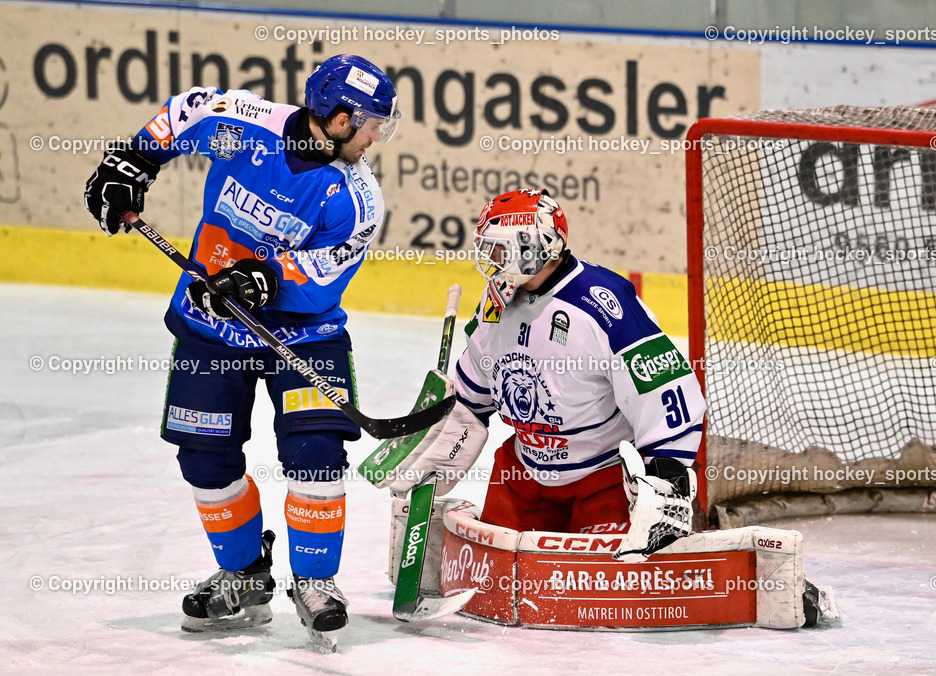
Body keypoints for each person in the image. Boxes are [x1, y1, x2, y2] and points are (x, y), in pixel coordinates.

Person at [83, 55, 401, 642]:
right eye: (371, 122)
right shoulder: (245, 124)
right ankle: (243, 572)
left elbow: (323, 275)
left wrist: (263, 277)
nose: (378, 135)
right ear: (335, 118)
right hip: (212, 326)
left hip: (303, 335)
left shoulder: (357, 197)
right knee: (205, 459)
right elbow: (187, 111)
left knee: (316, 450)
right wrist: (132, 163)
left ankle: (315, 580)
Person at [388, 188, 707, 561]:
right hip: (525, 477)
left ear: (532, 248)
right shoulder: (496, 301)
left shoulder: (603, 302)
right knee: (493, 569)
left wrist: (665, 477)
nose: (489, 259)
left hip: (604, 478)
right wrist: (446, 443)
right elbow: (473, 397)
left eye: (498, 249)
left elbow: (666, 391)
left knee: (596, 583)